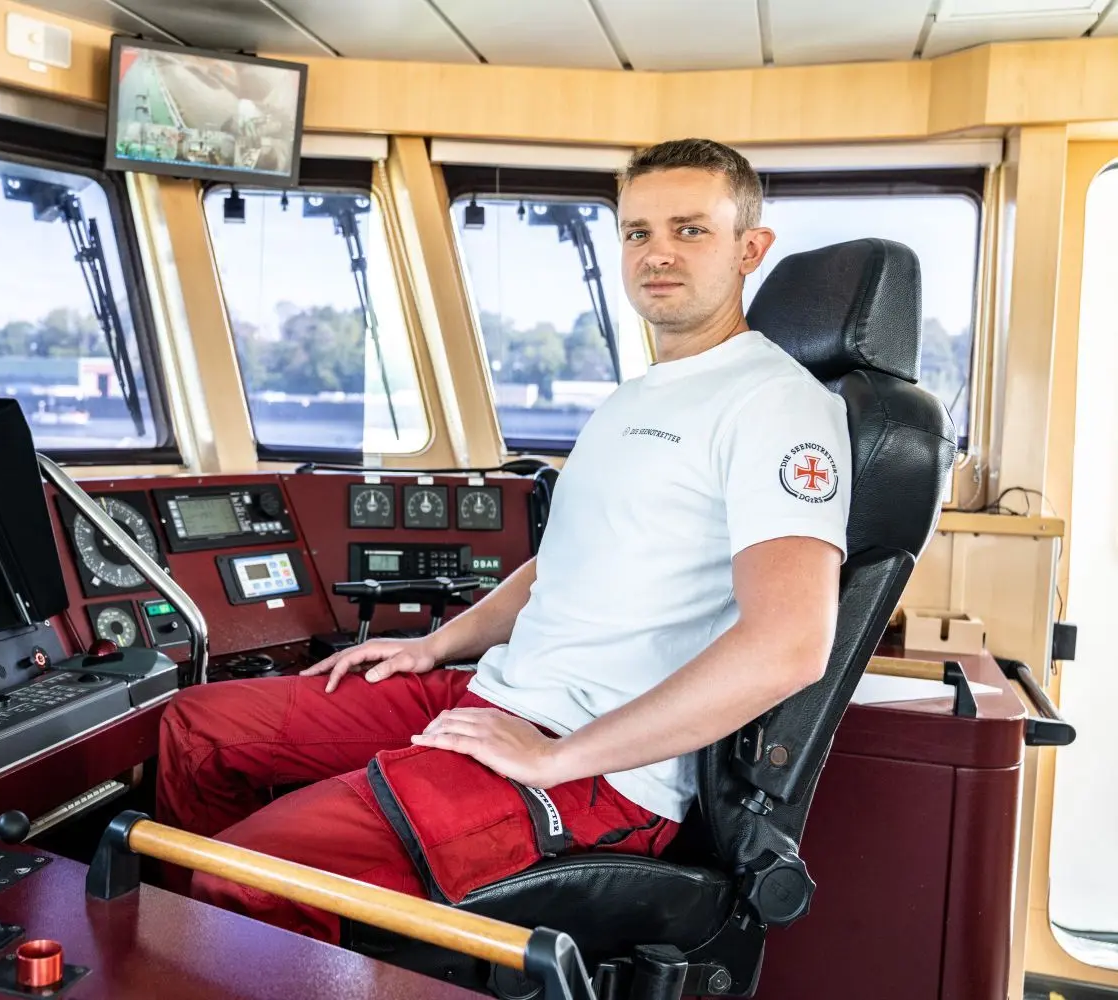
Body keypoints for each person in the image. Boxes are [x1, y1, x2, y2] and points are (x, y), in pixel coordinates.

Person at [155, 137, 852, 943]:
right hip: (494, 693)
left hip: (598, 768)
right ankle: (190, 951)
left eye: (691, 230)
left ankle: (219, 941)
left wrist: (560, 758)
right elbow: (562, 563)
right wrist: (434, 645)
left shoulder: (776, 404)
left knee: (240, 876)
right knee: (197, 733)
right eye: (637, 232)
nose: (658, 254)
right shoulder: (642, 397)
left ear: (749, 249)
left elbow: (791, 645)